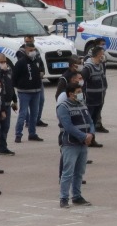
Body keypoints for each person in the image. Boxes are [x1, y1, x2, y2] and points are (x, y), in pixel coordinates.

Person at [55, 76, 95, 208]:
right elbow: (68, 126)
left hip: (83, 144)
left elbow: (90, 121)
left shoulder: (82, 104)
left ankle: (77, 196)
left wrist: (91, 134)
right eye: (78, 92)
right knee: (68, 172)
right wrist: (84, 136)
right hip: (70, 144)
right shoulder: (63, 107)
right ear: (70, 94)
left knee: (79, 172)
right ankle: (64, 198)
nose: (81, 94)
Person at [12, 36, 46, 143]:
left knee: (34, 114)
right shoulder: (21, 62)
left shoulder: (36, 60)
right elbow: (14, 78)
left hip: (36, 91)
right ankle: (18, 134)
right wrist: (21, 87)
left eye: (34, 50)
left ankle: (32, 133)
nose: (32, 52)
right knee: (23, 114)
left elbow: (41, 69)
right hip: (24, 92)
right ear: (26, 51)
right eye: (30, 50)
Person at [80, 45, 107, 141]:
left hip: (99, 99)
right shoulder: (88, 68)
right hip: (90, 100)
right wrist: (81, 97)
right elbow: (80, 82)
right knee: (89, 121)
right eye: (102, 54)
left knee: (94, 121)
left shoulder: (100, 65)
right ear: (98, 55)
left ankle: (92, 139)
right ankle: (85, 139)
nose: (104, 56)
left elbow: (103, 81)